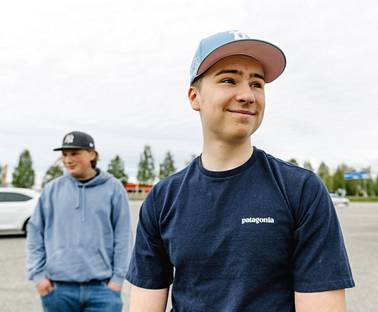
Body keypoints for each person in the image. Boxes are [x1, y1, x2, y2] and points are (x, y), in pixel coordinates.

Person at [126, 30, 355, 311]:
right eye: (229, 80)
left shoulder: (301, 190)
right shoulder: (163, 198)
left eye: (257, 84)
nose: (247, 95)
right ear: (194, 97)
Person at [26, 131, 132, 312]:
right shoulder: (52, 190)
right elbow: (35, 233)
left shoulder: (113, 188)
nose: (68, 160)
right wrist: (37, 276)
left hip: (103, 291)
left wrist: (117, 280)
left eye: (74, 153)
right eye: (65, 154)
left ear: (92, 154)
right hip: (58, 290)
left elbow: (123, 236)